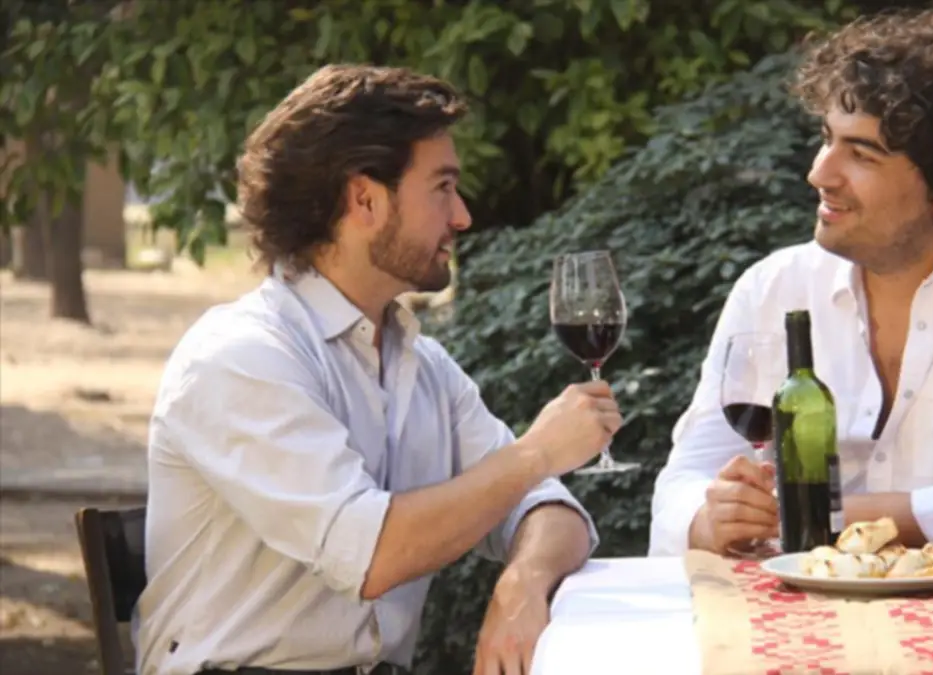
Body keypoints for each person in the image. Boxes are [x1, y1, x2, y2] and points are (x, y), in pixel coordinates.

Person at [135, 65, 621, 675]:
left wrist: (524, 581)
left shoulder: (422, 365)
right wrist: (536, 453)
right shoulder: (240, 357)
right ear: (364, 199)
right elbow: (371, 555)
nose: (462, 216)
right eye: (442, 187)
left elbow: (552, 511)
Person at [648, 10, 933, 565]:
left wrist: (823, 514)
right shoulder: (774, 287)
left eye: (861, 154)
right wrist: (709, 518)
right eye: (827, 139)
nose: (820, 173)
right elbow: (684, 481)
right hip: (798, 606)